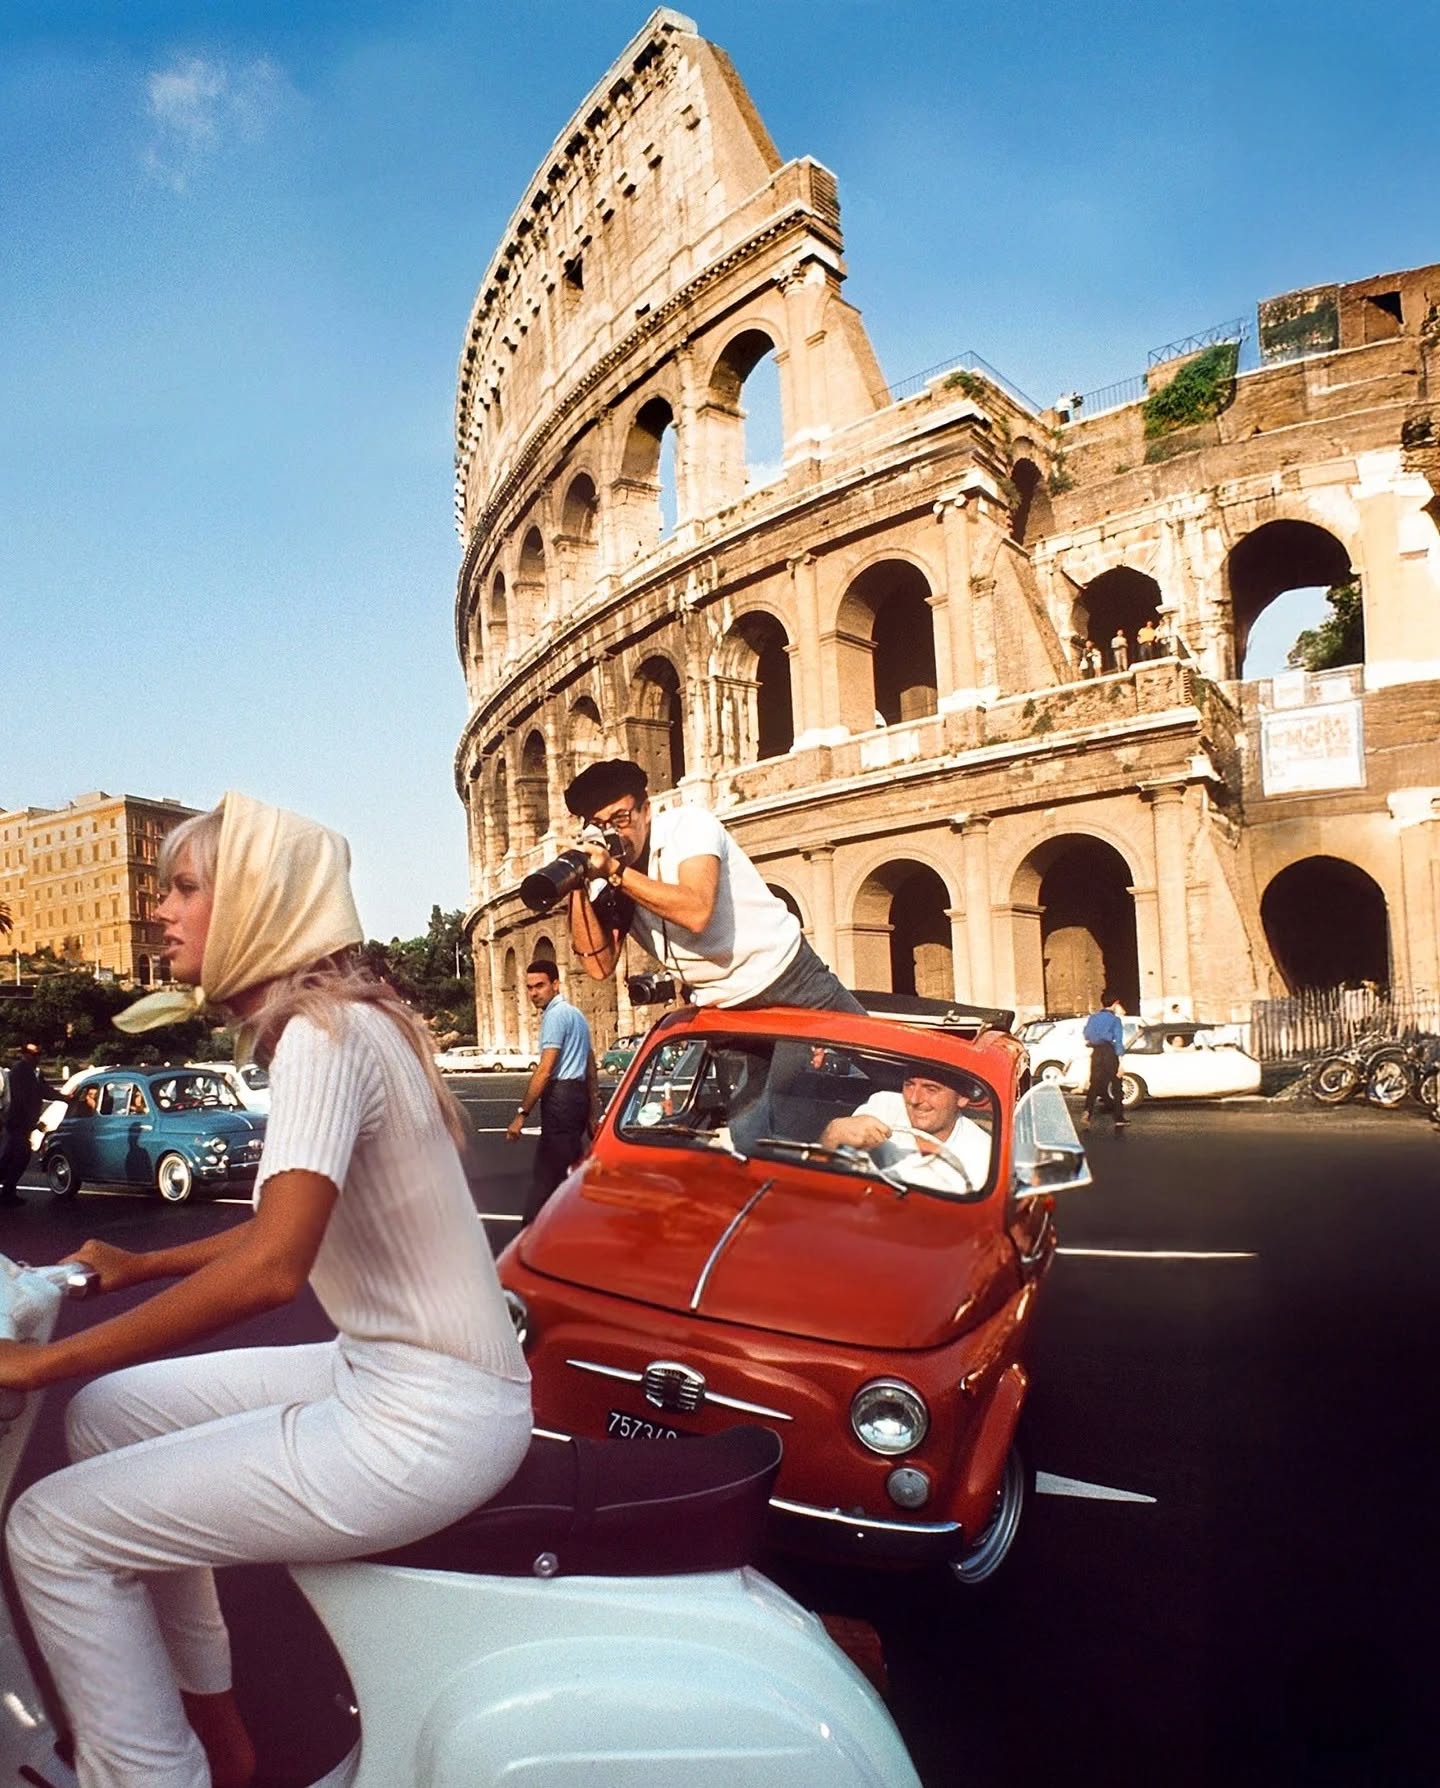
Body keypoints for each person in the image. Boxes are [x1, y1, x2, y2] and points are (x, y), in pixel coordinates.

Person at [0, 792, 531, 1788]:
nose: (161, 911)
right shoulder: (346, 1024)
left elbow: (274, 1268)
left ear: (256, 901)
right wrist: (142, 1265)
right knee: (108, 1417)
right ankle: (216, 1727)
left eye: (184, 889)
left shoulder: (324, 1037)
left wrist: (45, 1362)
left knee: (51, 1533)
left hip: (424, 1420)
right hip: (397, 1375)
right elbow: (286, 1228)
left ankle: (154, 1775)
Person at [563, 759, 864, 1015]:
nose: (613, 833)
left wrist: (615, 872)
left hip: (787, 977)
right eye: (599, 825)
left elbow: (696, 912)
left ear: (647, 811)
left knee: (870, 1059)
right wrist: (575, 880)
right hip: (719, 1005)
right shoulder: (609, 872)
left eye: (621, 818)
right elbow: (598, 966)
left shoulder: (689, 825)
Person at [506, 959, 597, 1225]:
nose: (534, 993)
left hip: (561, 1099)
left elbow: (545, 1069)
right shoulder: (576, 1015)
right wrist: (593, 1110)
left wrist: (522, 1114)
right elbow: (590, 1065)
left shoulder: (555, 1016)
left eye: (540, 986)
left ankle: (529, 1237)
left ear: (556, 984)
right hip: (577, 1098)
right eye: (529, 987)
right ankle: (569, 1230)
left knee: (546, 1179)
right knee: (568, 1174)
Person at [819, 1068, 992, 1193]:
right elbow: (825, 1176)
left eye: (931, 1089)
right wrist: (831, 1137)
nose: (914, 1099)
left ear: (963, 1097)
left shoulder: (983, 1156)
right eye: (909, 1085)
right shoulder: (883, 1106)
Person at [0, 1041, 70, 1207]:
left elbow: (45, 1090)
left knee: (10, 1159)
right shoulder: (19, 1071)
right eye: (33, 1054)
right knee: (20, 1157)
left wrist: (65, 1097)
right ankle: (7, 1193)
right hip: (16, 1122)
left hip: (22, 1124)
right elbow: (21, 1100)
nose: (37, 1057)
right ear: (24, 1054)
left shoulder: (35, 1072)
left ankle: (8, 1192)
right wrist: (34, 1123)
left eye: (39, 1054)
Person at [1082, 991, 1129, 1130]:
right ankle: (1118, 1117)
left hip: (1096, 1052)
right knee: (1116, 1085)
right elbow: (1118, 1041)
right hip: (1109, 1052)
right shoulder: (1115, 1020)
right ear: (1115, 1004)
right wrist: (1121, 1063)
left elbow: (1086, 1034)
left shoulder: (1093, 1018)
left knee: (1094, 1084)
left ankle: (1087, 1111)